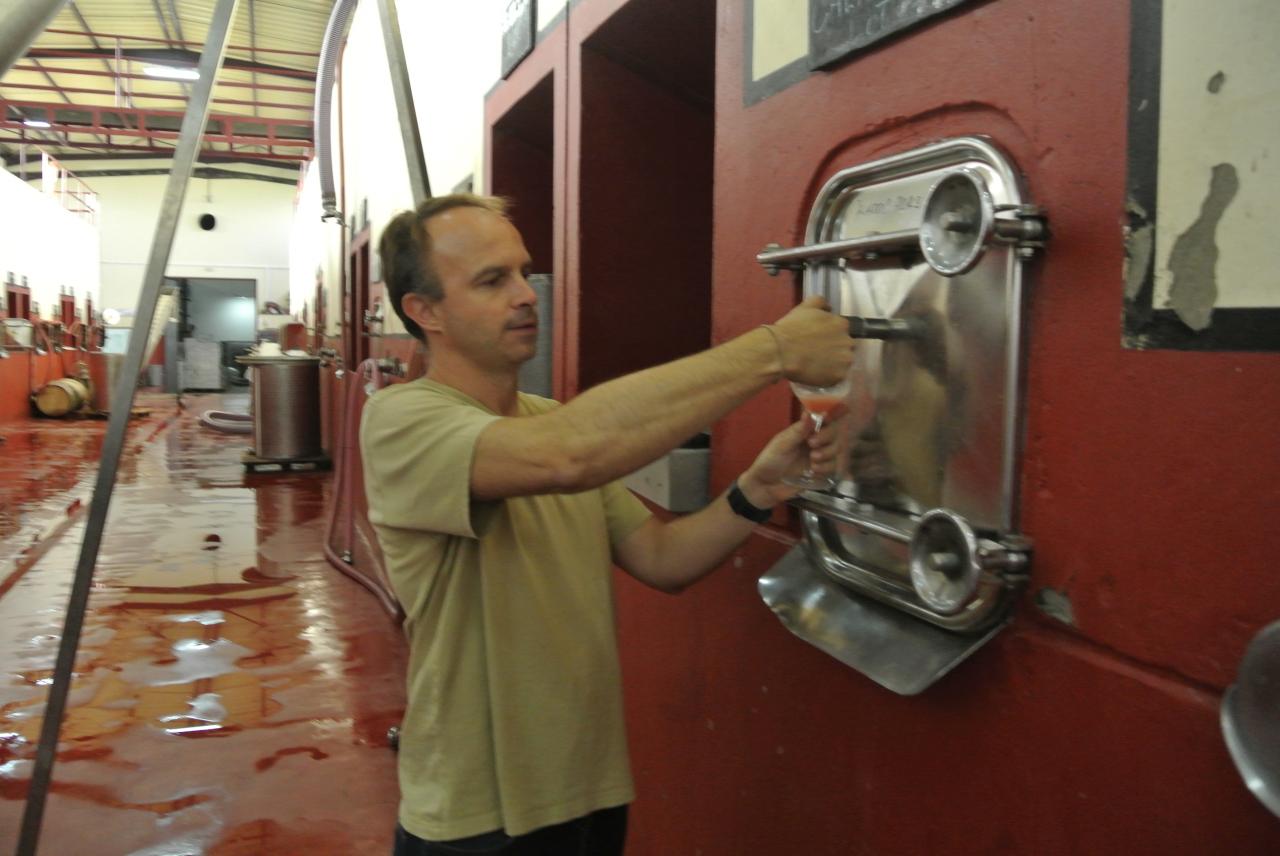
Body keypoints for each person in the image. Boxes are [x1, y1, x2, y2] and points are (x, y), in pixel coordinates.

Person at [361, 193, 853, 855]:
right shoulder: (403, 422)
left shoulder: (544, 417)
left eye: (522, 272)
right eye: (491, 280)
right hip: (477, 819)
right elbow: (570, 454)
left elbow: (662, 556)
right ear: (424, 313)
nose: (525, 294)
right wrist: (775, 350)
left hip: (586, 792)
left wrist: (758, 489)